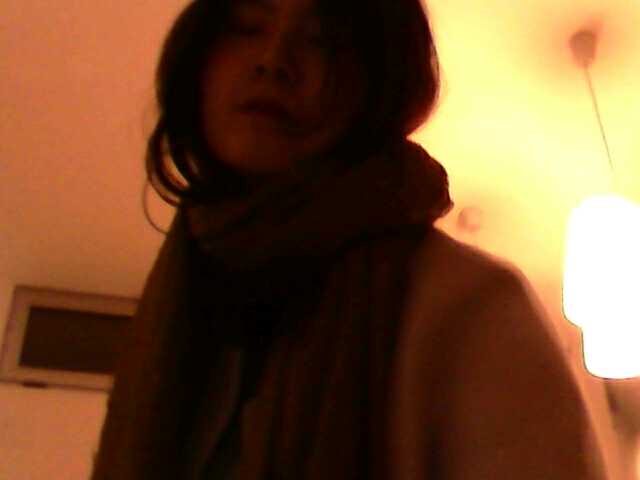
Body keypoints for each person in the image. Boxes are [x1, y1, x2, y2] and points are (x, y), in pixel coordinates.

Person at [91, 0, 609, 478]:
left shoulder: (472, 308)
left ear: (377, 81)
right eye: (246, 26)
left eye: (322, 39)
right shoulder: (184, 308)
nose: (274, 61)